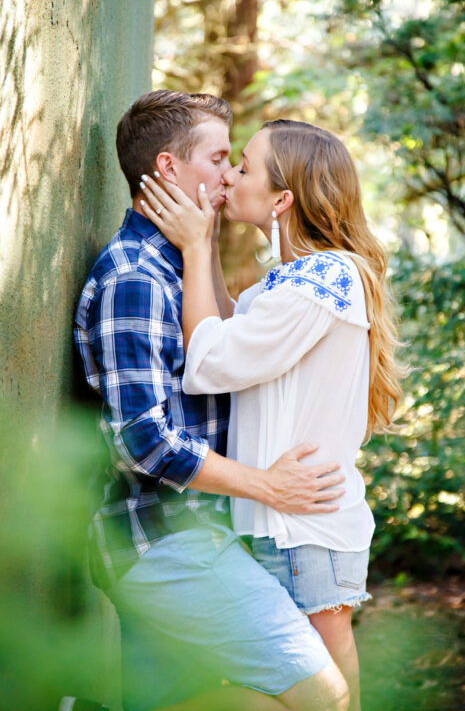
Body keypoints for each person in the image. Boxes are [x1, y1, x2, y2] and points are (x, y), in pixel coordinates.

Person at [74, 91, 351, 711]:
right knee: (325, 696)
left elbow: (224, 347)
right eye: (219, 157)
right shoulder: (135, 277)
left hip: (202, 531)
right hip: (163, 540)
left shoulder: (175, 265)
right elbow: (143, 442)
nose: (229, 174)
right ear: (169, 170)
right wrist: (268, 486)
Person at [139, 119, 402, 711]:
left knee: (330, 701)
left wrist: (197, 247)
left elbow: (209, 362)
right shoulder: (295, 281)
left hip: (305, 526)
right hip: (285, 520)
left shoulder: (323, 280)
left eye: (245, 167)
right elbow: (234, 329)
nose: (230, 175)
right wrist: (200, 250)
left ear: (282, 199)